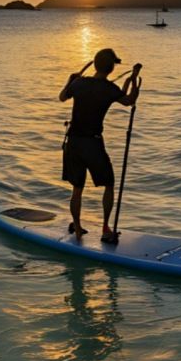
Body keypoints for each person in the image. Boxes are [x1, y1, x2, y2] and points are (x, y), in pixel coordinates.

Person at [59, 48, 142, 242]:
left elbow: (62, 97)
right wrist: (135, 80)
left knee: (77, 188)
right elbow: (129, 100)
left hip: (73, 142)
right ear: (112, 68)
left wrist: (70, 80)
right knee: (109, 184)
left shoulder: (79, 82)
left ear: (95, 64)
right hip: (93, 144)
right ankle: (105, 229)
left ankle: (78, 228)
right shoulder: (108, 89)